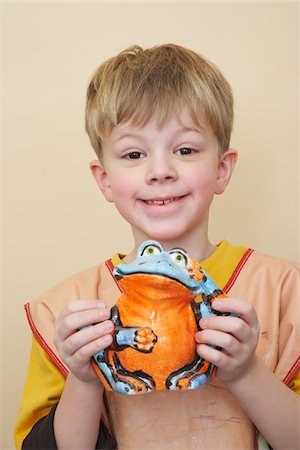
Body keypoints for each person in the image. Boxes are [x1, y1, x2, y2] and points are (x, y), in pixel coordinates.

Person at [15, 44, 299, 450]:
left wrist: (245, 372)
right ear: (105, 180)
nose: (161, 171)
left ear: (222, 169)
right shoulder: (63, 312)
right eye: (134, 154)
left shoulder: (287, 290)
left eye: (185, 150)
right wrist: (82, 379)